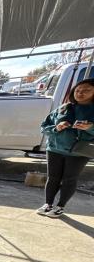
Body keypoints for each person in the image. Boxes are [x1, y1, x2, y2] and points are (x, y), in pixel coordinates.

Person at [37, 78, 94, 217]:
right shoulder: (64, 107)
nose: (80, 93)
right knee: (53, 178)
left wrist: (90, 128)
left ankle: (60, 206)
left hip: (79, 151)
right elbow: (44, 127)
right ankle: (48, 203)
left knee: (70, 179)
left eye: (87, 90)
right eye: (78, 90)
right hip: (55, 148)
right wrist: (56, 127)